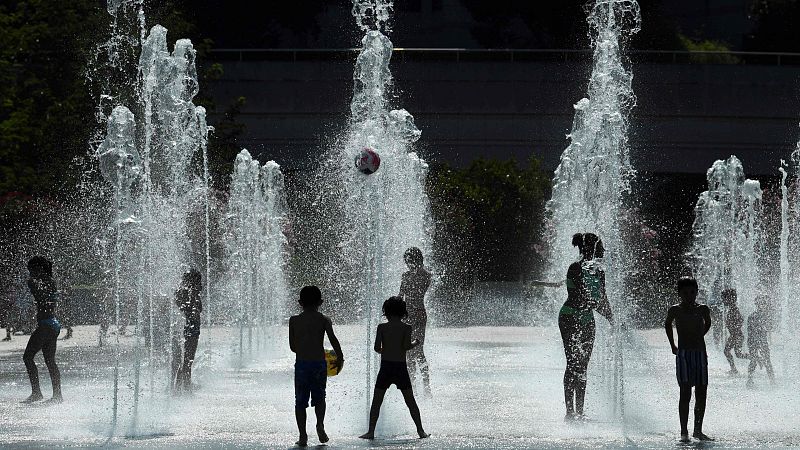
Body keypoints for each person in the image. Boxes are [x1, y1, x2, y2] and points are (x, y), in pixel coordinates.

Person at [558, 233, 613, 421]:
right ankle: (569, 411)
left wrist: (613, 320)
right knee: (572, 363)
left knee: (583, 366)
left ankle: (580, 412)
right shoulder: (574, 268)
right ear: (590, 248)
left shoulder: (600, 271)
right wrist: (596, 305)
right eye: (601, 248)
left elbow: (602, 299)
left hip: (587, 319)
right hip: (570, 317)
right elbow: (578, 296)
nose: (603, 251)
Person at [359, 296, 429, 440]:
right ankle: (421, 431)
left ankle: (370, 432)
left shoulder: (382, 327)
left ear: (386, 311)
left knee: (376, 401)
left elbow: (376, 348)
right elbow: (406, 347)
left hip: (386, 367)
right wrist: (416, 342)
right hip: (400, 368)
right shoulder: (406, 328)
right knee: (410, 402)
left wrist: (386, 350)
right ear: (403, 312)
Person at [289, 286, 343, 447]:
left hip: (302, 365)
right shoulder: (324, 319)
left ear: (300, 303)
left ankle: (303, 435)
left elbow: (293, 347)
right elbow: (333, 339)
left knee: (300, 401)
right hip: (319, 364)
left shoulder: (294, 320)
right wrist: (340, 357)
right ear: (320, 302)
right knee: (320, 398)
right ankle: (320, 424)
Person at [664, 276, 713, 442]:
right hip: (684, 354)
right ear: (679, 293)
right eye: (685, 292)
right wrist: (673, 345)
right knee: (685, 392)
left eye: (692, 292)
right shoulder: (675, 309)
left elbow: (708, 323)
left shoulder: (702, 309)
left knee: (701, 392)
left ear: (697, 292)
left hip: (700, 353)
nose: (689, 295)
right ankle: (683, 431)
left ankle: (698, 430)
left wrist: (701, 335)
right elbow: (667, 324)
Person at [22, 256, 63, 404]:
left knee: (27, 357)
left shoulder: (47, 281)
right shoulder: (49, 281)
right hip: (51, 324)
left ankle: (37, 393)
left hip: (46, 326)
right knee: (50, 361)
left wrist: (33, 287)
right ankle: (57, 396)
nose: (30, 272)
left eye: (31, 269)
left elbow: (42, 298)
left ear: (39, 268)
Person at [399, 247, 432, 395]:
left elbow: (403, 295)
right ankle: (415, 386)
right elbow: (401, 296)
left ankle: (426, 386)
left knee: (417, 351)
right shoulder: (410, 275)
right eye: (406, 261)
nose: (407, 264)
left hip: (416, 315)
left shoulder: (423, 276)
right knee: (410, 352)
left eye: (409, 260)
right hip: (409, 316)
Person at [174, 268, 202, 393]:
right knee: (187, 360)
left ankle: (180, 385)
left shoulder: (182, 293)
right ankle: (184, 387)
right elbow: (194, 311)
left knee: (184, 360)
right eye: (199, 282)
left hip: (188, 328)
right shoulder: (190, 294)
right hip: (190, 329)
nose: (201, 285)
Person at [747, 295, 774, 387]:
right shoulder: (755, 316)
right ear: (757, 304)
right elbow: (750, 331)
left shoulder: (762, 316)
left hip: (759, 340)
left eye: (764, 303)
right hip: (756, 340)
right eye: (761, 303)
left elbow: (769, 328)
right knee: (755, 361)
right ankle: (750, 381)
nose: (762, 305)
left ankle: (772, 381)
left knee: (764, 360)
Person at [721, 289, 747, 374]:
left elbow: (741, 320)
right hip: (735, 335)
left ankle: (755, 358)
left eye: (724, 299)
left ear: (730, 299)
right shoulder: (732, 308)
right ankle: (734, 369)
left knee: (732, 353)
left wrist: (735, 330)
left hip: (736, 335)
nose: (723, 301)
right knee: (736, 354)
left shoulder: (734, 309)